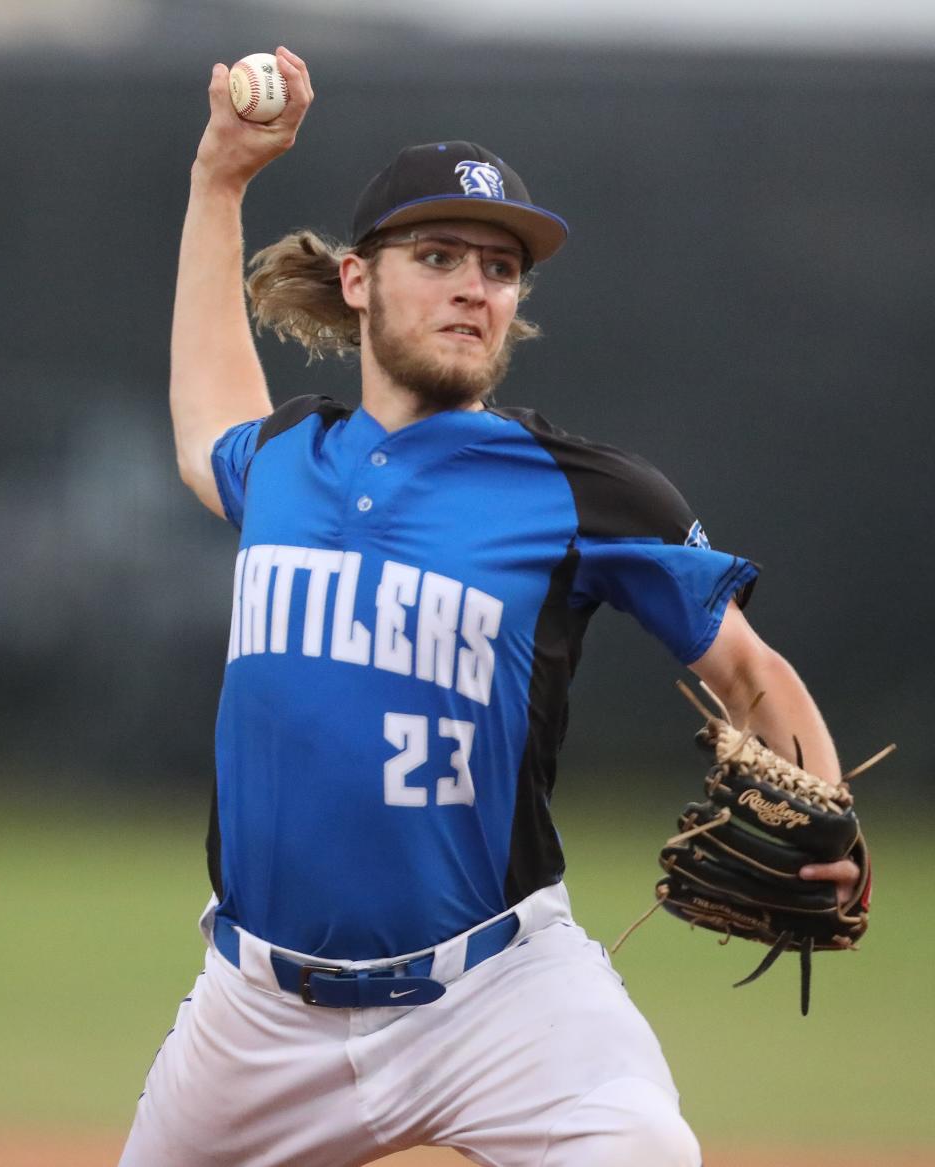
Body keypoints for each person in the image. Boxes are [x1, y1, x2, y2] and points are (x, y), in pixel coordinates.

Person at [119, 47, 860, 1167]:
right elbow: (199, 425)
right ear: (360, 280)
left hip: (498, 996)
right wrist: (218, 183)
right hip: (256, 1018)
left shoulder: (579, 490)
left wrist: (828, 819)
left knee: (649, 1153)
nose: (477, 285)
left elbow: (752, 674)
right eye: (439, 255)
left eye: (502, 268)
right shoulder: (284, 459)